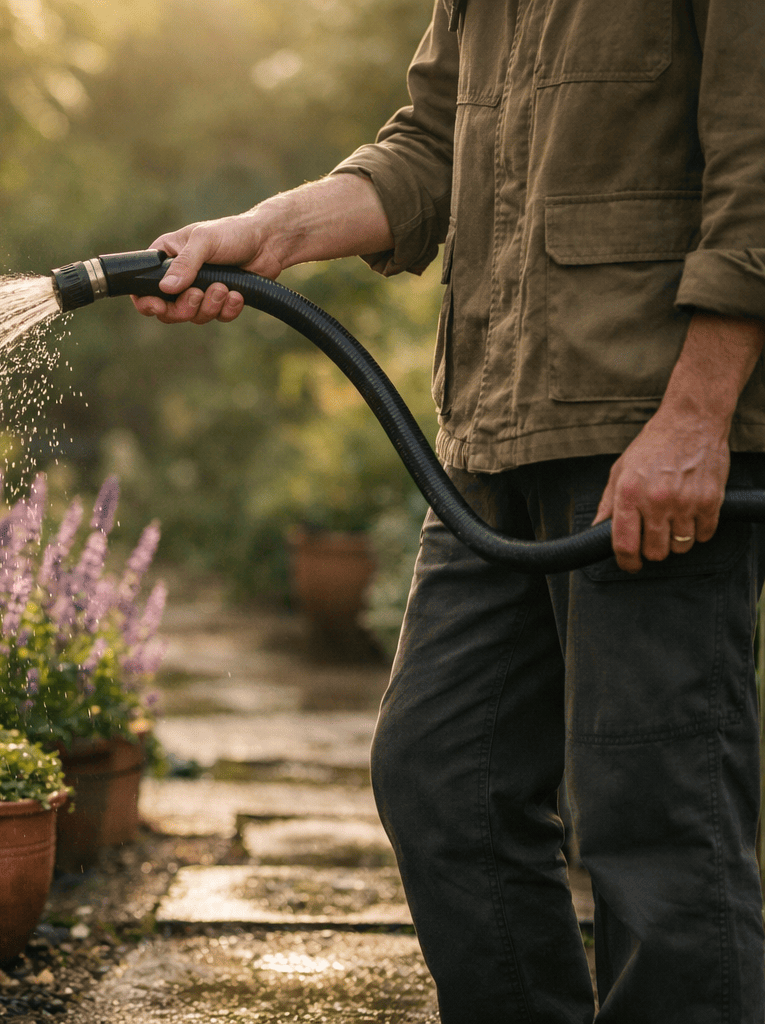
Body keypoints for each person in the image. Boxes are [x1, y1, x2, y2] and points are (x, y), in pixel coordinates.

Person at [133, 1, 765, 1020]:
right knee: (442, 774)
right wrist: (271, 231)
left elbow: (759, 162)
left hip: (643, 433)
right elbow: (430, 145)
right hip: (494, 429)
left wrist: (697, 418)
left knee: (656, 830)